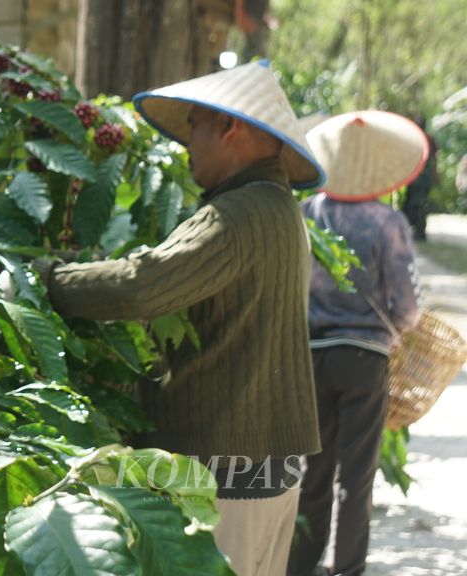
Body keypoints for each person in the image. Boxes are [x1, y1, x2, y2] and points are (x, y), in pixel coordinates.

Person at [34, 61, 324, 576]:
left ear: (228, 128)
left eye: (195, 127)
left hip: (223, 479)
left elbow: (141, 285)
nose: (189, 143)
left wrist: (50, 280)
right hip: (271, 472)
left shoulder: (236, 216)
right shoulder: (282, 211)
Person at [288, 111, 426, 576]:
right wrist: (402, 330)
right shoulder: (387, 222)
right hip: (364, 358)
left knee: (314, 474)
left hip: (311, 356)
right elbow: (406, 307)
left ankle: (301, 567)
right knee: (357, 476)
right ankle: (347, 569)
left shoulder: (305, 211)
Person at [400, 115, 438, 240]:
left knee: (419, 204)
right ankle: (415, 228)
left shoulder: (425, 139)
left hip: (420, 177)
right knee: (413, 203)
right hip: (415, 176)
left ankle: (419, 230)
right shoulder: (414, 138)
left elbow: (433, 159)